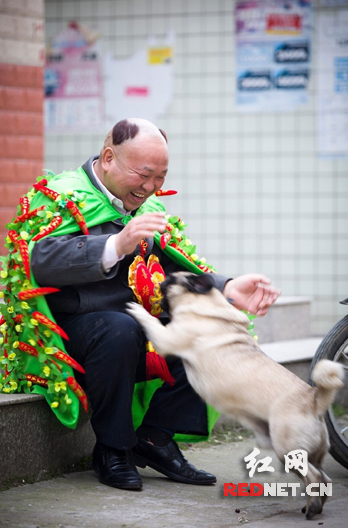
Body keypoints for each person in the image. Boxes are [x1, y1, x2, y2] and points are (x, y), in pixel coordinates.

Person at [31, 118, 280, 491]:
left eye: (160, 177)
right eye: (143, 174)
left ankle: (155, 438)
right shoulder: (62, 194)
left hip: (134, 328)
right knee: (121, 326)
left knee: (212, 328)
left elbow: (169, 270)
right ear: (109, 157)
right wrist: (116, 244)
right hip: (74, 330)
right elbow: (40, 259)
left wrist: (227, 287)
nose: (150, 187)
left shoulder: (145, 205)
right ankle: (111, 450)